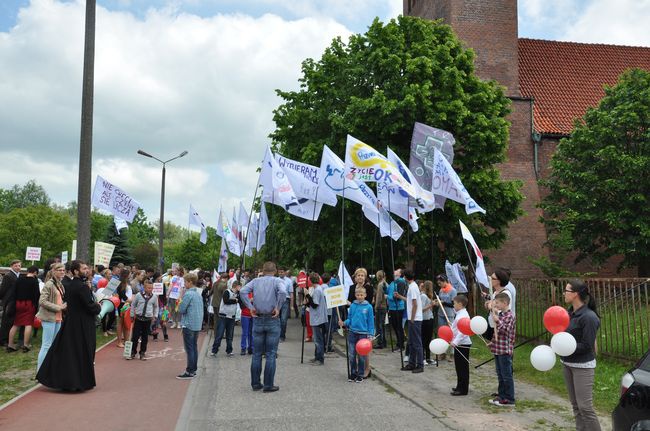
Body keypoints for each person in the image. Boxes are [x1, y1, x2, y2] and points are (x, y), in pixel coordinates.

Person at [36, 260, 101, 391]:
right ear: (76, 271)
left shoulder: (69, 285)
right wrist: (98, 307)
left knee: (69, 352)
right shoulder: (81, 287)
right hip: (82, 324)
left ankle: (68, 381)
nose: (87, 270)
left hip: (71, 323)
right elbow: (89, 306)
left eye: (87, 268)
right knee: (80, 352)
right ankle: (78, 382)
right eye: (83, 268)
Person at [561, 279, 602, 431]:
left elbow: (587, 345)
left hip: (582, 366)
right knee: (576, 405)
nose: (564, 293)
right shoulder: (568, 313)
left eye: (567, 291)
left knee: (585, 407)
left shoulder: (589, 317)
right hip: (567, 363)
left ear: (576, 294)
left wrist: (565, 348)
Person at [239, 261, 286, 392]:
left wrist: (250, 307)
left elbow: (242, 291)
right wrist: (278, 307)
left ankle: (255, 383)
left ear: (263, 270)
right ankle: (268, 384)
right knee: (271, 353)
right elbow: (283, 292)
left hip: (258, 318)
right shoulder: (277, 281)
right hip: (272, 318)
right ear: (275, 271)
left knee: (257, 353)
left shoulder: (255, 281)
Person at [339, 286, 374, 383]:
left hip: (363, 335)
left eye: (361, 295)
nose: (359, 296)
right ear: (355, 295)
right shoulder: (353, 306)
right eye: (358, 295)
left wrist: (371, 334)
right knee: (351, 354)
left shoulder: (369, 307)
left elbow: (371, 322)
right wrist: (344, 323)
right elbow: (350, 318)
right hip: (352, 333)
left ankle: (360, 374)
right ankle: (353, 373)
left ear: (365, 295)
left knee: (362, 356)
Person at [36, 263, 67, 371]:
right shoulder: (49, 284)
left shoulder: (59, 283)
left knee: (54, 345)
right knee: (46, 345)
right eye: (59, 270)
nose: (62, 272)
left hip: (58, 317)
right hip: (49, 317)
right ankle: (40, 370)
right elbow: (42, 301)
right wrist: (59, 307)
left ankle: (49, 369)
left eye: (63, 270)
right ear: (53, 271)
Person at [488, 292, 516, 407]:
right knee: (500, 373)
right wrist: (492, 342)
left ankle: (509, 399)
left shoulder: (510, 316)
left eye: (498, 303)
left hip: (505, 350)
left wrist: (498, 320)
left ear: (505, 303)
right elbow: (497, 332)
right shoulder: (501, 315)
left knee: (506, 375)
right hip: (497, 349)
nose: (496, 305)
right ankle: (501, 395)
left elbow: (506, 330)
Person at [176, 272, 204, 379]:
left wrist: (179, 303)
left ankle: (189, 371)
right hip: (197, 324)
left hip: (188, 324)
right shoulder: (198, 294)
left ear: (190, 282)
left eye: (185, 282)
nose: (184, 284)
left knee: (189, 348)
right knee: (194, 347)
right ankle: (193, 369)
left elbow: (182, 309)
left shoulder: (188, 294)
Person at [7, 266, 40, 352]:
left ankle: (10, 345)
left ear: (28, 271)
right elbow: (37, 295)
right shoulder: (34, 281)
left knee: (15, 324)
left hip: (18, 303)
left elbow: (14, 291)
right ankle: (26, 345)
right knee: (28, 324)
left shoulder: (19, 279)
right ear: (35, 272)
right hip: (29, 304)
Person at [397, 269, 423, 373]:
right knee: (411, 342)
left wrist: (412, 318)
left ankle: (420, 365)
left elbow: (415, 305)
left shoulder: (412, 288)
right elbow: (410, 302)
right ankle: (412, 363)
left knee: (417, 343)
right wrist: (400, 297)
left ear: (405, 277)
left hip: (415, 319)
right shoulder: (413, 286)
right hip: (413, 318)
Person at [128, 279, 159, 361]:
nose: (150, 289)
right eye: (148, 288)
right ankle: (132, 352)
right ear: (144, 288)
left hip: (147, 319)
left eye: (151, 288)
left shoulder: (154, 297)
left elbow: (156, 307)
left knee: (145, 337)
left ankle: (142, 353)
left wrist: (155, 316)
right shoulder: (138, 295)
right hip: (138, 318)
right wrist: (131, 314)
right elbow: (133, 305)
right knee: (135, 336)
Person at [210, 280, 240, 357]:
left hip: (232, 316)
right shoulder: (227, 292)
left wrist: (237, 299)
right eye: (240, 286)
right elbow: (226, 301)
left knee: (230, 335)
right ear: (236, 286)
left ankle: (229, 351)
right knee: (219, 334)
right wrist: (235, 300)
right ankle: (214, 350)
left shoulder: (237, 294)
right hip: (223, 316)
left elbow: (240, 301)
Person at [450, 295, 472, 396]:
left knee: (462, 367)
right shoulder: (460, 313)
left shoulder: (463, 316)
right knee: (458, 366)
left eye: (454, 303)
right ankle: (459, 385)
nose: (453, 305)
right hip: (459, 343)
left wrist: (455, 342)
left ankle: (463, 389)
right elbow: (457, 327)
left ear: (460, 304)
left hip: (463, 344)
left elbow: (463, 331)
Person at [306, 272, 328, 365]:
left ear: (310, 280)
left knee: (318, 339)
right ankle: (317, 357)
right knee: (317, 339)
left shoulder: (317, 290)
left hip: (318, 318)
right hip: (317, 317)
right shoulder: (318, 289)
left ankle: (320, 359)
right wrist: (307, 303)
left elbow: (315, 305)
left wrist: (307, 295)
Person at [434, 274, 457, 361]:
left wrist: (443, 302)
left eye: (440, 283)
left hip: (449, 314)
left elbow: (453, 304)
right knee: (442, 333)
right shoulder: (441, 290)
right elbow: (440, 299)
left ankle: (452, 354)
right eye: (438, 283)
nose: (439, 285)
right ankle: (442, 353)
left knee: (450, 333)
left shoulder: (452, 290)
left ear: (444, 281)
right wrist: (437, 302)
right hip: (441, 314)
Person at [0, 259, 21, 346]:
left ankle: (9, 338)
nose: (18, 267)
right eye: (16, 266)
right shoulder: (8, 276)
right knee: (6, 321)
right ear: (11, 266)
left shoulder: (18, 275)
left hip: (14, 300)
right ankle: (3, 340)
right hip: (8, 301)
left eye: (19, 266)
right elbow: (3, 289)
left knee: (11, 321)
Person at [386, 268, 406, 352]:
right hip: (392, 307)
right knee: (395, 326)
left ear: (400, 274)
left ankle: (401, 345)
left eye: (397, 271)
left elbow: (399, 296)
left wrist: (388, 297)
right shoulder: (392, 282)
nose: (394, 271)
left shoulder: (401, 282)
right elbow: (388, 291)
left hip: (398, 307)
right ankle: (399, 342)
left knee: (398, 326)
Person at [115, 269, 133, 348]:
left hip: (127, 304)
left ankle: (126, 340)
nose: (130, 274)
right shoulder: (120, 283)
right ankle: (119, 341)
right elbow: (122, 294)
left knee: (126, 323)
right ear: (126, 274)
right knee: (121, 322)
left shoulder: (127, 282)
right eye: (129, 273)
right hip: (123, 304)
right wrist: (128, 300)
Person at [420, 280, 436, 365]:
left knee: (429, 339)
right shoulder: (423, 296)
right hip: (424, 320)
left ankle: (428, 357)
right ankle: (422, 358)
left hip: (430, 318)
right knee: (424, 339)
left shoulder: (429, 296)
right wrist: (431, 305)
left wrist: (433, 304)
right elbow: (421, 309)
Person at [278, 267, 293, 341]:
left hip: (286, 301)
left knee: (283, 320)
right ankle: (277, 334)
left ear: (285, 273)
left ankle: (282, 336)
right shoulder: (276, 280)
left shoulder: (289, 281)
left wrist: (292, 305)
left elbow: (291, 293)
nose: (281, 273)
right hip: (277, 301)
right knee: (277, 319)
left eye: (282, 272)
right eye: (279, 272)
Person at [374, 270, 387, 349]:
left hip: (380, 307)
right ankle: (384, 341)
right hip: (385, 306)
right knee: (382, 325)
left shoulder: (380, 285)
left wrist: (376, 306)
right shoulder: (386, 284)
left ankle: (380, 342)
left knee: (379, 325)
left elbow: (379, 297)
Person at [239, 288, 254, 355]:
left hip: (253, 315)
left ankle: (251, 348)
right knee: (245, 332)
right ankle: (243, 348)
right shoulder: (243, 295)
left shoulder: (256, 294)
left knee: (252, 333)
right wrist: (249, 301)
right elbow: (241, 306)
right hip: (245, 315)